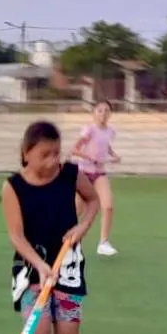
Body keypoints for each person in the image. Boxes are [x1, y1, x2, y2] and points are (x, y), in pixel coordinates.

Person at [2, 121, 99, 334]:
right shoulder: (13, 187)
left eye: (56, 153)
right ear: (26, 153)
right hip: (32, 270)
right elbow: (16, 236)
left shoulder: (70, 174)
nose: (52, 160)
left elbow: (93, 200)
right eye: (45, 154)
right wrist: (40, 265)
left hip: (67, 268)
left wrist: (83, 227)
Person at [71, 99, 121, 256]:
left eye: (106, 111)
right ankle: (65, 239)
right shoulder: (89, 130)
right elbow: (75, 149)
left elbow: (106, 145)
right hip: (84, 173)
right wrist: (90, 157)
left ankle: (103, 242)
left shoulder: (110, 131)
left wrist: (114, 155)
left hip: (99, 173)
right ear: (93, 113)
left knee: (108, 206)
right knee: (77, 209)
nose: (103, 114)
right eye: (99, 110)